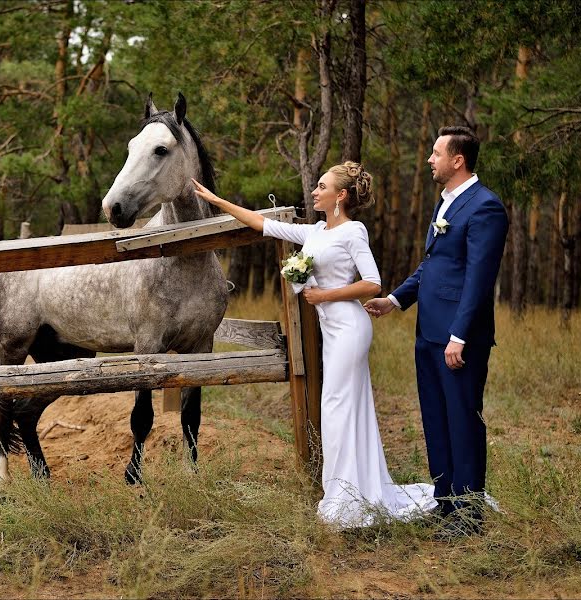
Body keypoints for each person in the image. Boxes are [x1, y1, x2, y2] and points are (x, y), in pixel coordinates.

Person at [192, 162, 438, 529]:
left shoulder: (354, 231)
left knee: (337, 409)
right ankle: (351, 489)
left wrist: (324, 294)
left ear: (340, 195)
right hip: (333, 330)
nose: (314, 191)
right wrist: (216, 200)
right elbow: (263, 224)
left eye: (322, 186)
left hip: (350, 329)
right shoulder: (316, 231)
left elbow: (373, 283)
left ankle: (343, 498)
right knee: (341, 408)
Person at [365, 126, 508, 536]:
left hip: (457, 339)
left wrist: (459, 335)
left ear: (457, 160)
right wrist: (395, 300)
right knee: (436, 418)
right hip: (428, 333)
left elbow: (479, 279)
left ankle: (468, 514)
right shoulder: (446, 203)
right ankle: (445, 502)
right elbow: (433, 266)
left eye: (436, 152)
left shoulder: (485, 207)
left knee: (463, 420)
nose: (430, 159)